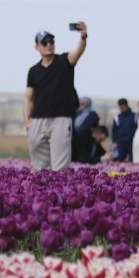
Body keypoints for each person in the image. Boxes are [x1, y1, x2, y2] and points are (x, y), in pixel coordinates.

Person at [24, 23, 88, 171]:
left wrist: (83, 37)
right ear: (37, 47)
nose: (48, 45)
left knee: (60, 167)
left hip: (60, 118)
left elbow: (78, 52)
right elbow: (28, 97)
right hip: (38, 119)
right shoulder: (33, 71)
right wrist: (27, 121)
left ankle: (58, 193)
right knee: (40, 167)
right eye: (44, 42)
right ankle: (40, 193)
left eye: (51, 42)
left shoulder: (64, 61)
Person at [71, 97, 100, 164]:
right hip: (75, 137)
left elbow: (90, 125)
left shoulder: (92, 114)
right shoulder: (77, 113)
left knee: (83, 157)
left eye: (83, 104)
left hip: (85, 138)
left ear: (87, 104)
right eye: (80, 104)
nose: (81, 106)